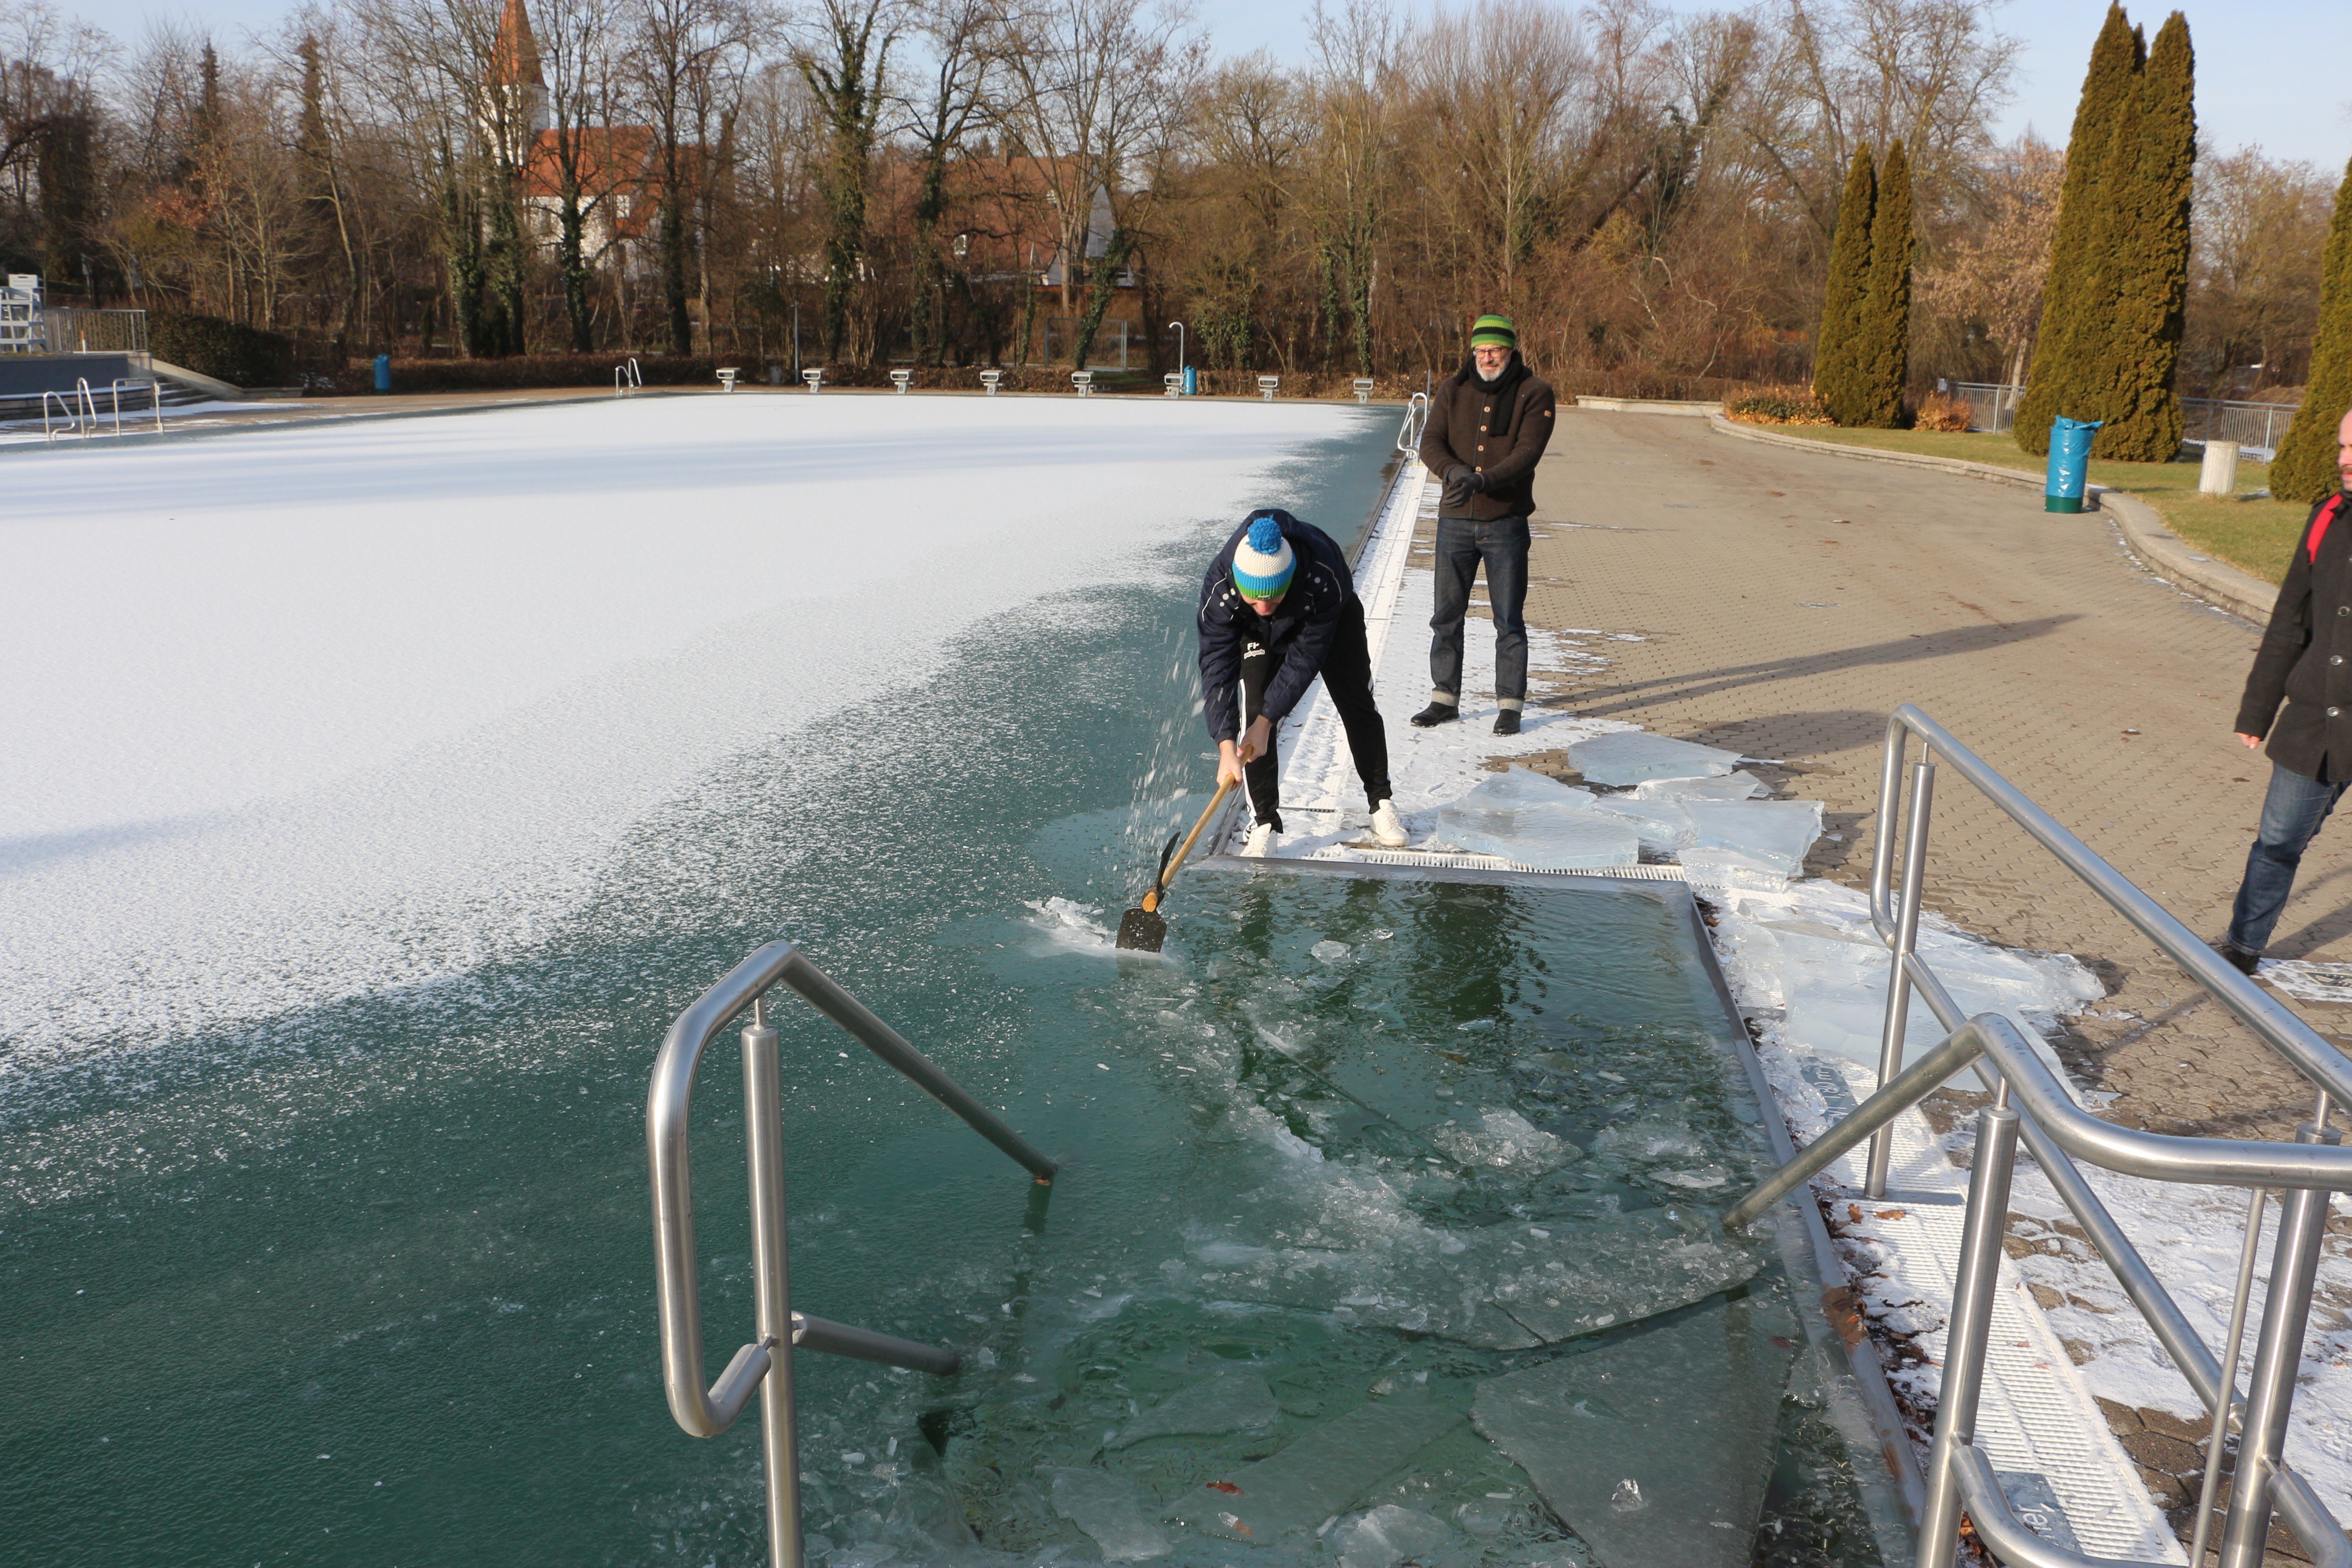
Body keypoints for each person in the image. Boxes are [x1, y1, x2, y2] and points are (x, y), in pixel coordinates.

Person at [2222, 403, 2352, 973]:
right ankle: (2242, 950)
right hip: (2313, 721)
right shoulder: (2327, 515)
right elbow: (2288, 620)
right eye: (2344, 448)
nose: (2346, 462)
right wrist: (2257, 708)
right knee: (2277, 842)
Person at [1199, 510, 1409, 857]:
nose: (1265, 607)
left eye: (1273, 598)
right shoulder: (1222, 587)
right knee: (1253, 710)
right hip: (1257, 635)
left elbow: (1305, 659)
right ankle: (1265, 822)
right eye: (1255, 600)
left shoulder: (1322, 571)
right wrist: (1225, 744)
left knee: (1357, 702)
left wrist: (1270, 722)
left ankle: (1381, 801)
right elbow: (1216, 663)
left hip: (1331, 617)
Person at [1413, 314, 1559, 736]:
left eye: (1496, 350)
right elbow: (1430, 441)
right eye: (1482, 350)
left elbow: (1528, 451)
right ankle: (1444, 699)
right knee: (1446, 616)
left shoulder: (1535, 393)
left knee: (1508, 619)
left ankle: (1510, 705)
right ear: (1473, 351)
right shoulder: (1453, 389)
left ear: (1510, 351)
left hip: (1505, 522)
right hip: (1454, 522)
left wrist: (1485, 479)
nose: (1488, 357)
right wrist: (1454, 471)